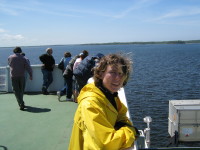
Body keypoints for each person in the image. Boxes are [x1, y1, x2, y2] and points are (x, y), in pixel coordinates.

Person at [68, 54, 139, 150]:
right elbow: (107, 143)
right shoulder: (90, 103)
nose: (117, 78)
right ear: (101, 74)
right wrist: (131, 131)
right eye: (113, 72)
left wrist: (123, 126)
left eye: (121, 73)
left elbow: (121, 115)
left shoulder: (109, 94)